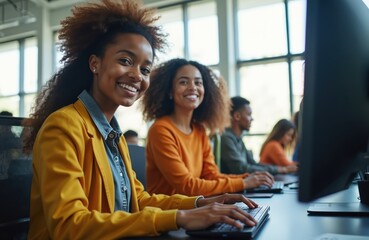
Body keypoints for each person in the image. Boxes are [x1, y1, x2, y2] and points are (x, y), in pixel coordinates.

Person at [22, 1, 262, 239]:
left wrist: (200, 203)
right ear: (95, 63)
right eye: (125, 61)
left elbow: (139, 200)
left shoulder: (112, 135)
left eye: (145, 69)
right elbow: (68, 225)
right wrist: (180, 217)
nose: (137, 75)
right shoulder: (63, 126)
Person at [141, 58, 274, 198]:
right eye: (183, 82)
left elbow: (211, 175)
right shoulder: (161, 130)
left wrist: (249, 178)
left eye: (198, 82)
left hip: (197, 208)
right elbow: (187, 186)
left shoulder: (199, 130)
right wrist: (244, 183)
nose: (193, 87)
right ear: (170, 92)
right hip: (169, 214)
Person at [220, 96, 297, 175]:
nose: (252, 119)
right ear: (237, 116)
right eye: (249, 114)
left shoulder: (238, 140)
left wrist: (278, 169)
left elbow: (253, 163)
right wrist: (279, 170)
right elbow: (240, 168)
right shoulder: (226, 138)